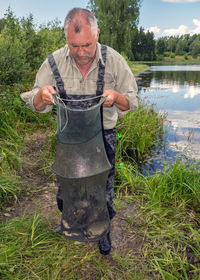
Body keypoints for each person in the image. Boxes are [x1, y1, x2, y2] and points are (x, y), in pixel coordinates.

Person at [21, 8, 138, 255]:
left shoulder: (114, 60)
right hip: (69, 140)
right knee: (67, 186)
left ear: (97, 34)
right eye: (74, 46)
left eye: (86, 44)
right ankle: (71, 222)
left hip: (103, 137)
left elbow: (131, 103)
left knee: (102, 187)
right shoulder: (53, 62)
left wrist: (117, 97)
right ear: (66, 39)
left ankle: (102, 231)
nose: (81, 52)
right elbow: (33, 99)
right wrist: (41, 96)